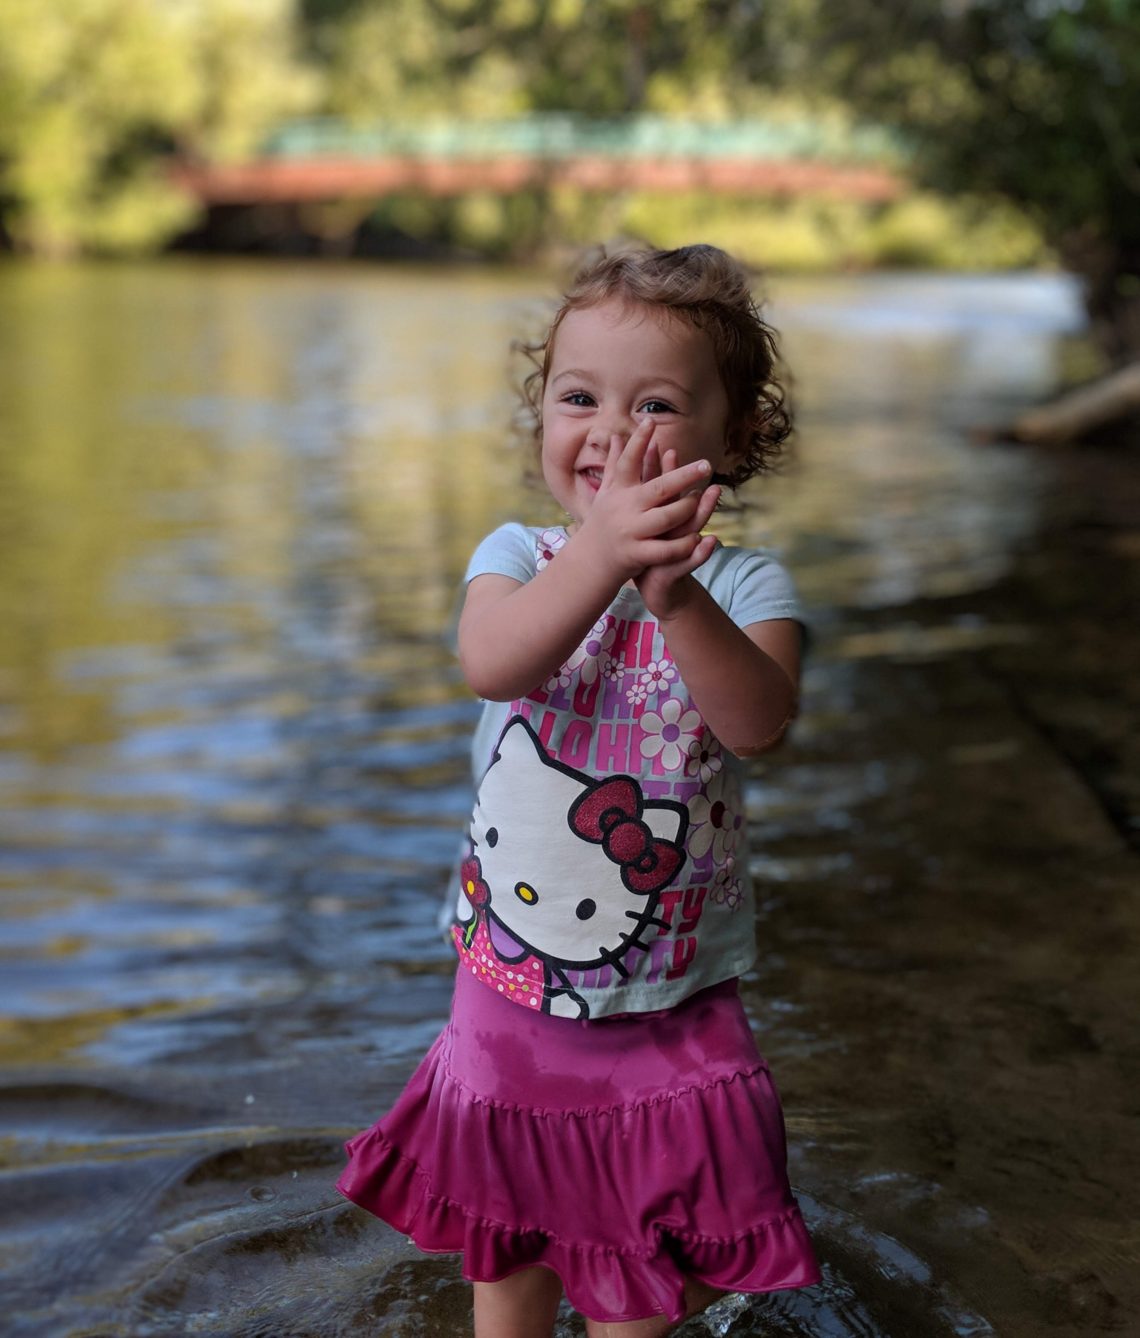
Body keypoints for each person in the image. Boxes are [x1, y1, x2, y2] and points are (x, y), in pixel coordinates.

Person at [337, 243, 821, 1336]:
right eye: (577, 397)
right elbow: (493, 662)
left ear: (733, 436)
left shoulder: (746, 584)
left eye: (654, 403)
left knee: (641, 1274)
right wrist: (598, 557)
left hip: (673, 1007)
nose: (607, 430)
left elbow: (760, 723)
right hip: (510, 1000)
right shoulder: (517, 550)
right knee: (507, 1264)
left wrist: (676, 598)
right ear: (541, 418)